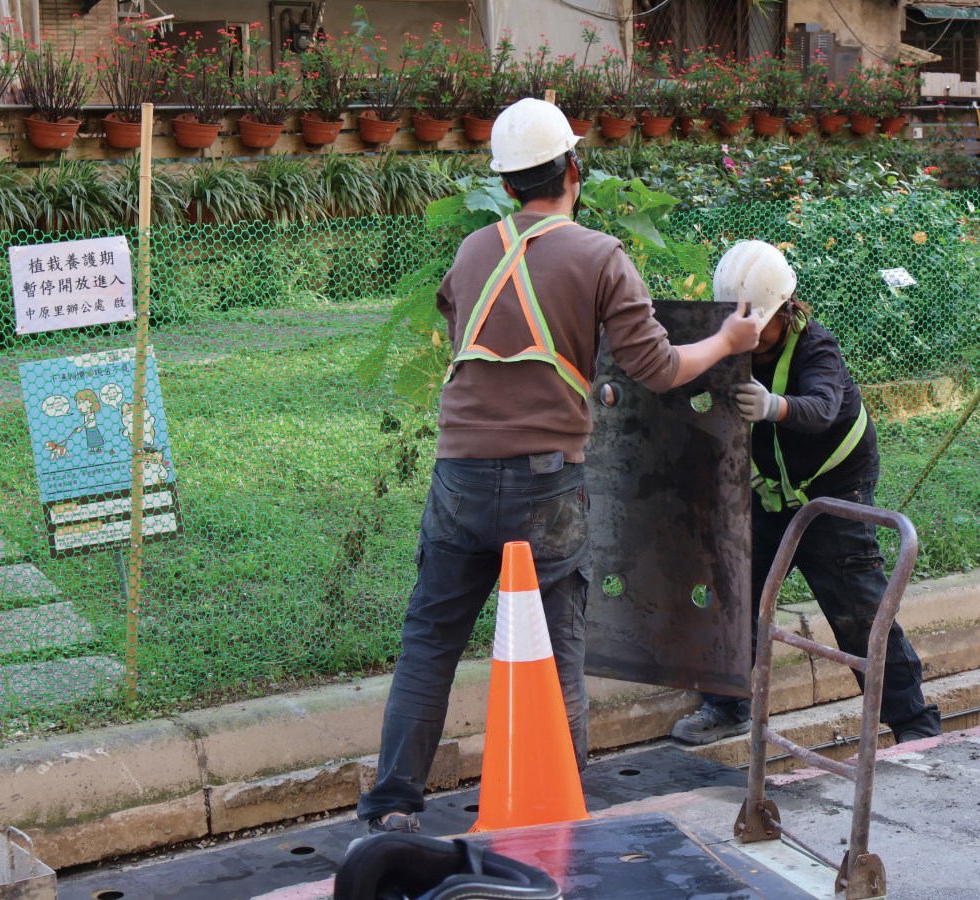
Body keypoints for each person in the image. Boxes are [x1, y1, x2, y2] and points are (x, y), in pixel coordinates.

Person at [353, 98, 760, 844]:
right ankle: (561, 805)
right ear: (574, 170)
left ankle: (392, 807)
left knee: (431, 642)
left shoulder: (475, 250)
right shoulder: (601, 255)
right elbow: (658, 367)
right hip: (547, 484)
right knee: (555, 644)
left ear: (507, 186)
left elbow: (463, 327)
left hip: (460, 477)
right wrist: (727, 339)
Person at [671, 241, 941, 747]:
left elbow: (820, 408)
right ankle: (727, 707)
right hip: (770, 492)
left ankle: (914, 723)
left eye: (757, 323)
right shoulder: (731, 343)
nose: (746, 335)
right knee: (735, 591)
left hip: (834, 491)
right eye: (738, 322)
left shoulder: (817, 347)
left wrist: (774, 406)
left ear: (786, 311)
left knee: (858, 610)